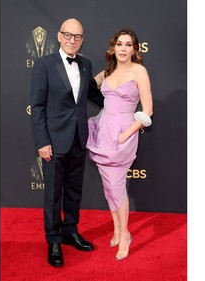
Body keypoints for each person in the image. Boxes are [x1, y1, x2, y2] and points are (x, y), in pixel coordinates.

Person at [30, 18, 104, 267]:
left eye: (78, 36)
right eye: (68, 35)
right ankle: (53, 239)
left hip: (78, 137)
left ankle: (71, 231)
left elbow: (95, 95)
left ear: (82, 39)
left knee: (74, 189)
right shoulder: (44, 65)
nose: (73, 40)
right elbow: (38, 106)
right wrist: (42, 141)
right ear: (59, 36)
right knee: (53, 193)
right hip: (53, 139)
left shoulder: (86, 64)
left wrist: (122, 102)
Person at [86, 29, 153, 261]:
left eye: (128, 45)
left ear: (135, 49)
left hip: (123, 132)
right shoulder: (108, 71)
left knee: (116, 186)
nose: (123, 49)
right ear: (113, 47)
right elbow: (86, 85)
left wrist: (128, 133)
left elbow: (148, 110)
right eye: (119, 44)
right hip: (103, 130)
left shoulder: (139, 71)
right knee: (108, 187)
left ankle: (125, 234)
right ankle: (116, 229)